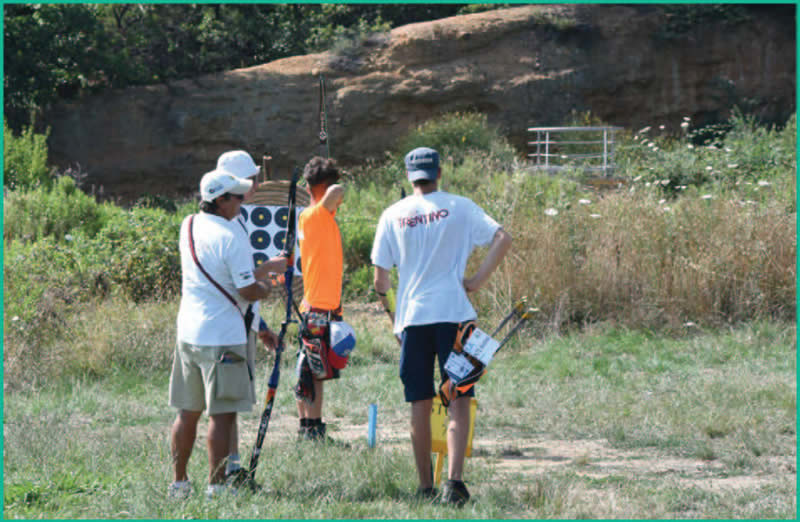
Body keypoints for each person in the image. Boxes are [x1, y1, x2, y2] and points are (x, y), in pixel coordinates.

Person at [370, 146, 512, 506]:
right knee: (459, 397)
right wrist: (476, 281)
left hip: (413, 319)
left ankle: (424, 487)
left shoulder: (392, 214)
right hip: (455, 315)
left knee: (419, 401)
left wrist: (392, 312)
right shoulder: (460, 206)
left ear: (409, 176)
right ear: (439, 173)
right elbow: (503, 238)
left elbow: (380, 280)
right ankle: (455, 483)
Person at [168, 168, 283, 499]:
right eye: (237, 197)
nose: (242, 202)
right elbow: (247, 290)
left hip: (188, 334)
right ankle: (216, 488)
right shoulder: (232, 237)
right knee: (222, 415)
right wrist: (267, 287)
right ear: (220, 201)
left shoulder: (188, 224)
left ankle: (179, 484)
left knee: (187, 413)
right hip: (223, 336)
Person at [214, 150, 286, 480]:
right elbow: (238, 283)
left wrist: (261, 326)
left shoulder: (236, 218)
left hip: (241, 322)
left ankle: (233, 466)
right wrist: (269, 268)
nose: (257, 185)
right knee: (227, 402)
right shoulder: (227, 224)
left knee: (232, 401)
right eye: (252, 179)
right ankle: (229, 470)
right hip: (229, 324)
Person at [293, 156, 346, 442]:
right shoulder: (315, 215)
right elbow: (336, 192)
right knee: (314, 371)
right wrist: (332, 186)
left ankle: (307, 426)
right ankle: (313, 429)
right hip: (318, 308)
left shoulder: (317, 217)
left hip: (317, 306)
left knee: (308, 369)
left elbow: (333, 194)